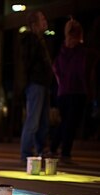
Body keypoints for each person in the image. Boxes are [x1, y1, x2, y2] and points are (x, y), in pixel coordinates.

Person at [50, 18, 89, 162]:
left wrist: (60, 84)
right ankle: (65, 153)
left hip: (63, 92)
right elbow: (81, 71)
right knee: (71, 123)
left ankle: (54, 149)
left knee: (63, 122)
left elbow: (56, 70)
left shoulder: (61, 52)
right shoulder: (81, 52)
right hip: (77, 91)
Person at [19, 10, 54, 162]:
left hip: (43, 83)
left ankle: (40, 151)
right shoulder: (30, 40)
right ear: (34, 25)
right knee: (33, 120)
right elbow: (28, 63)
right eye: (42, 19)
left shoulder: (41, 40)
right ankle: (26, 153)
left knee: (43, 121)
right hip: (35, 83)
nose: (45, 21)